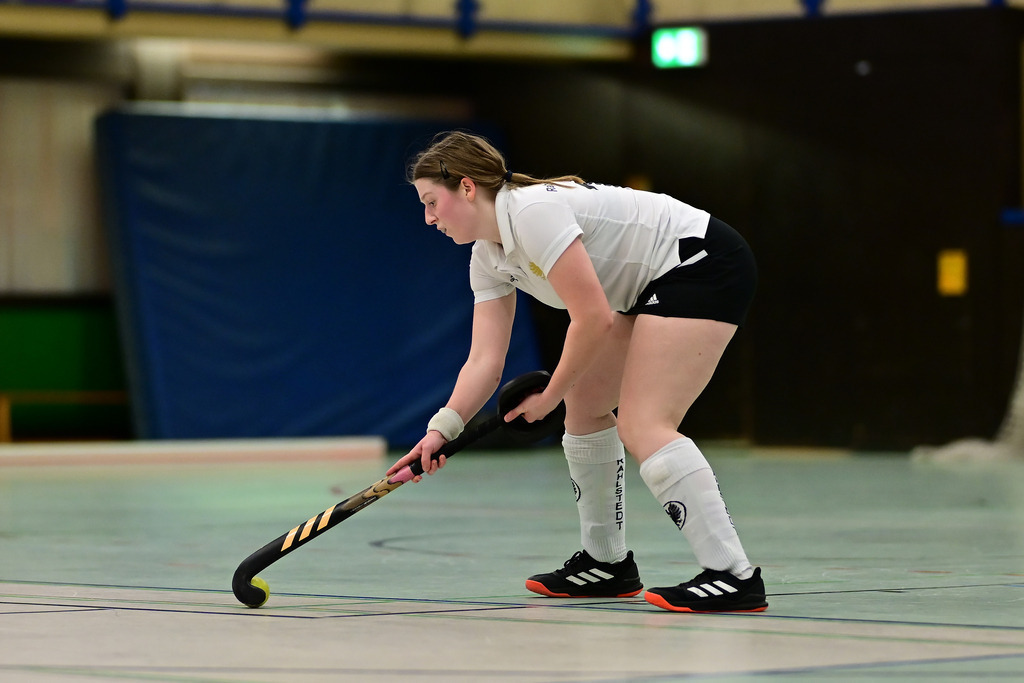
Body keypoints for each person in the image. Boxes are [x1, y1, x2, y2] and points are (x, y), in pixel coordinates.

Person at [386, 131, 767, 613]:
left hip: (700, 263)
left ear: (465, 187)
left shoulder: (530, 212)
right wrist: (441, 430)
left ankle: (734, 574)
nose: (428, 218)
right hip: (645, 288)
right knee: (585, 410)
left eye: (431, 202)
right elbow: (484, 359)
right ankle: (608, 565)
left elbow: (593, 318)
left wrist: (547, 397)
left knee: (643, 423)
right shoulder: (487, 256)